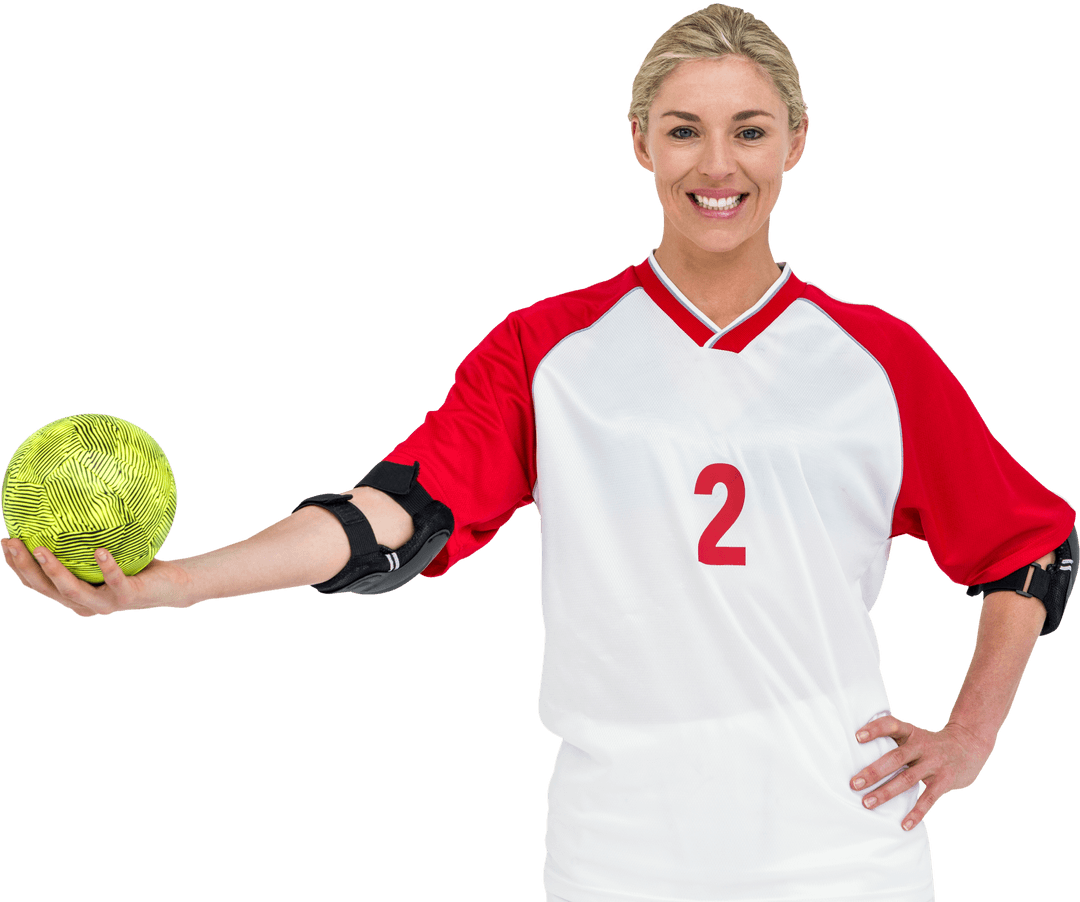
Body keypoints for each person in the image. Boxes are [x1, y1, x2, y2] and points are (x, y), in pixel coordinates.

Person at [2, 4, 1074, 901]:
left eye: (749, 130)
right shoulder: (546, 349)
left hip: (840, 843)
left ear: (797, 139)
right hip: (622, 846)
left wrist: (972, 734)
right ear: (639, 141)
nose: (717, 164)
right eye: (682, 129)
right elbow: (393, 517)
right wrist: (174, 585)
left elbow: (1029, 545)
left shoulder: (877, 356)